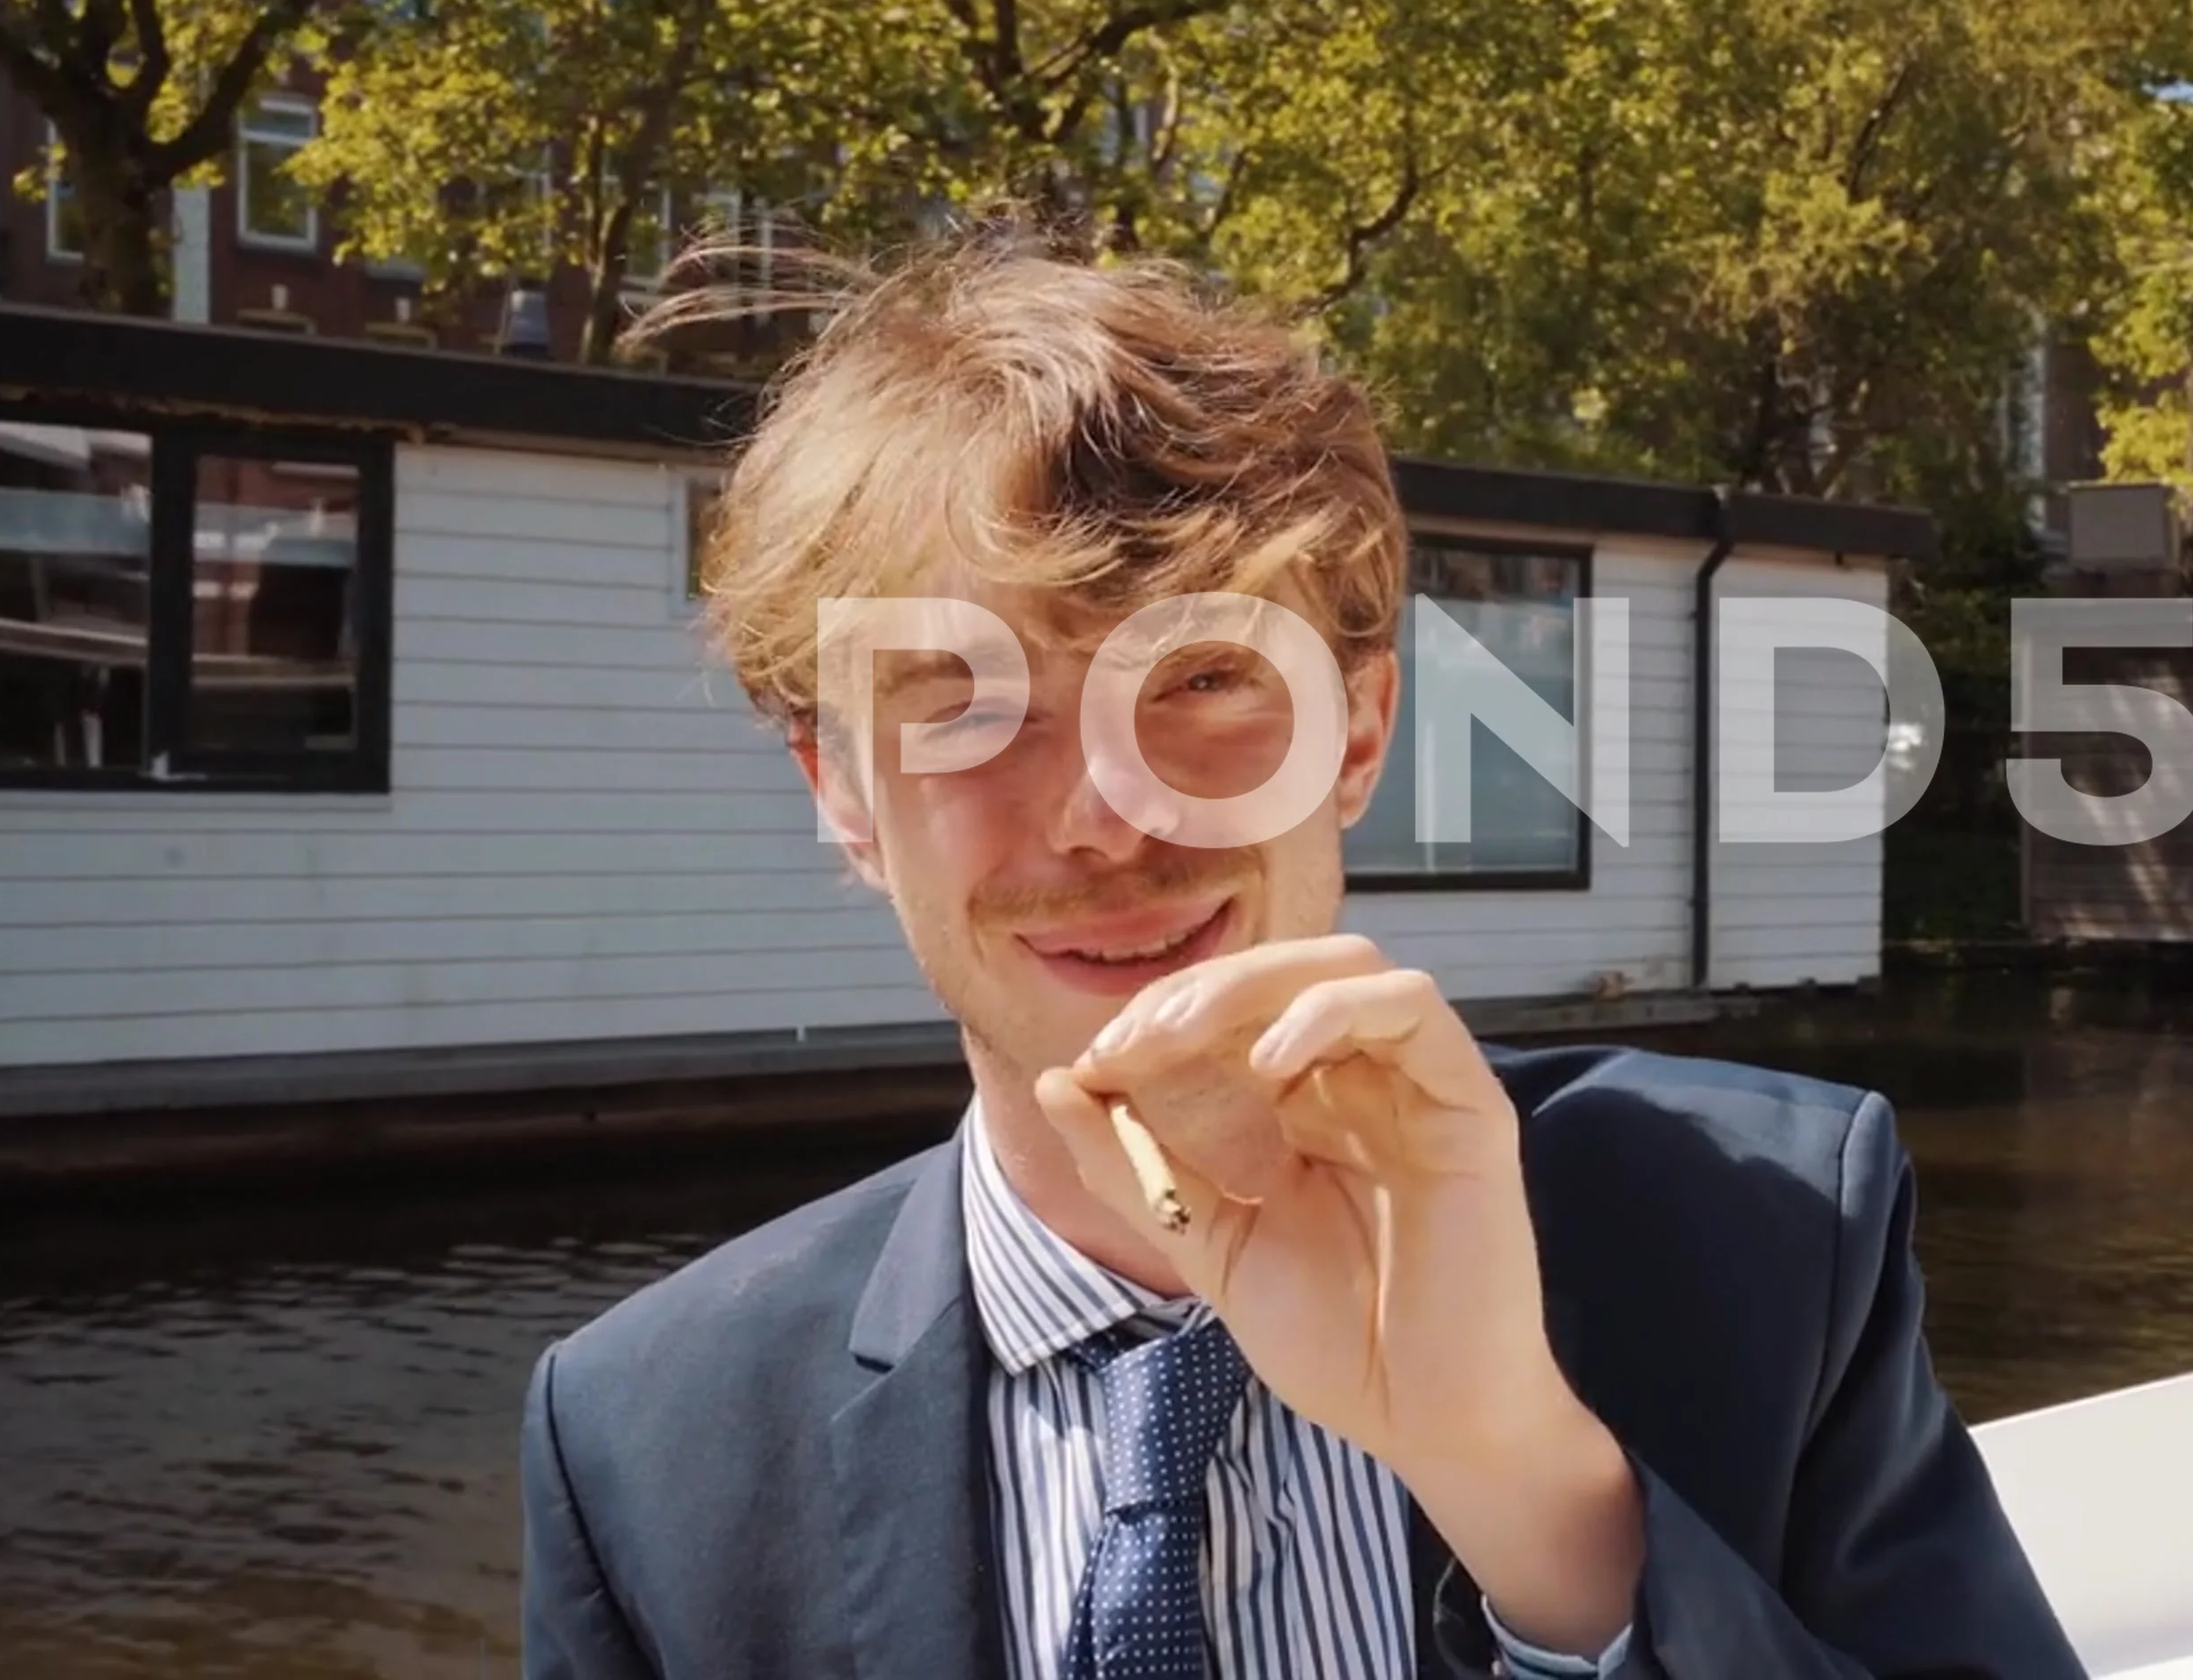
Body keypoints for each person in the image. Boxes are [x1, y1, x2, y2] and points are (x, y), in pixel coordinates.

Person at [516, 219, 2089, 1680]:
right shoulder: (648, 1447)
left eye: (1203, 679)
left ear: (1360, 734)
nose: (1102, 820)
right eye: (967, 710)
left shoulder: (1765, 1243)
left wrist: (1533, 1491)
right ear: (843, 798)